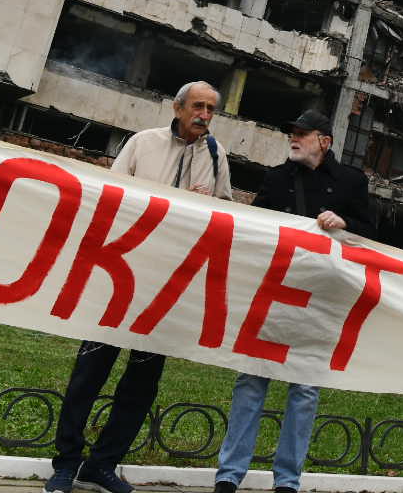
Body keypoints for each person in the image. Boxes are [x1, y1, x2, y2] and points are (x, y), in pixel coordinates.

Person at [48, 82, 234, 493]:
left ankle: (102, 464)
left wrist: (208, 204)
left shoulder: (218, 158)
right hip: (121, 276)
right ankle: (65, 464)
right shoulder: (142, 144)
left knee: (141, 383)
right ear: (178, 106)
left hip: (167, 287)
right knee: (90, 371)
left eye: (210, 109)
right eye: (197, 106)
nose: (203, 114)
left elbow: (225, 219)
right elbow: (112, 198)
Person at [214, 109, 370, 493]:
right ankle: (229, 476)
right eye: (292, 133)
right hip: (275, 293)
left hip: (321, 298)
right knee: (251, 380)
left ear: (325, 141)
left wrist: (345, 224)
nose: (294, 139)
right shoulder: (277, 178)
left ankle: (287, 481)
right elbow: (254, 226)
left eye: (303, 133)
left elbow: (372, 232)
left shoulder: (352, 181)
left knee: (303, 390)